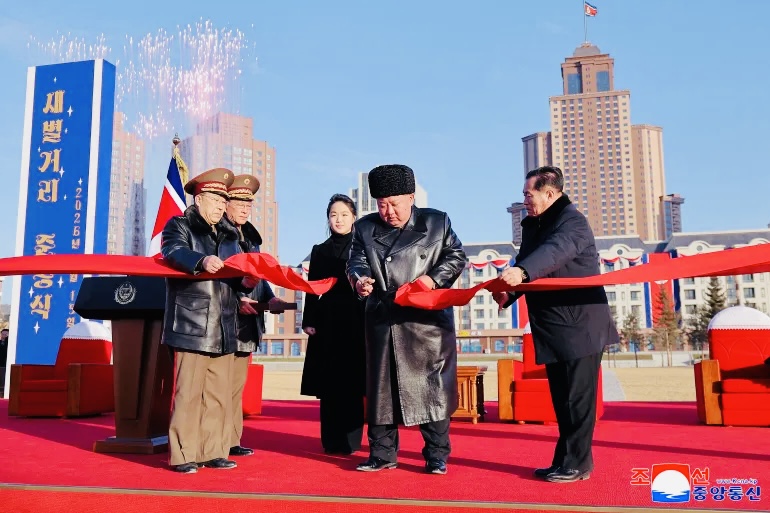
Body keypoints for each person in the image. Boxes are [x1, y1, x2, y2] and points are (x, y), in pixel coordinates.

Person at [492, 165, 617, 483]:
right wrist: (509, 294)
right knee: (563, 400)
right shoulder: (535, 225)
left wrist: (521, 274)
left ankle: (579, 464)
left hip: (580, 324)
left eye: (527, 194)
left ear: (550, 193)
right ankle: (564, 461)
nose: (524, 200)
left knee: (578, 399)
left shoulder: (572, 222)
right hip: (553, 326)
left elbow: (553, 254)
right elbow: (527, 264)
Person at [347, 164, 466, 475]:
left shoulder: (436, 222)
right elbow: (356, 260)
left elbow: (456, 256)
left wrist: (432, 280)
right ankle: (382, 453)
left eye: (395, 203)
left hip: (425, 323)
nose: (389, 211)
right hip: (383, 320)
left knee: (432, 391)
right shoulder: (364, 228)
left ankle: (436, 455)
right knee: (380, 391)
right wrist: (360, 280)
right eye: (382, 204)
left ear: (411, 197)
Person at [161, 167, 256, 474]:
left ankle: (213, 450)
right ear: (200, 198)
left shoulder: (229, 236)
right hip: (193, 324)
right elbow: (173, 252)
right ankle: (183, 454)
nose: (220, 206)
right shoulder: (180, 225)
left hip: (225, 325)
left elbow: (235, 279)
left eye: (223, 200)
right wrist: (200, 261)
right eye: (216, 199)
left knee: (217, 394)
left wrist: (248, 282)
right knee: (188, 394)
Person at [223, 174, 286, 458]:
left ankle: (231, 439)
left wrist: (270, 297)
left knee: (235, 389)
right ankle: (214, 442)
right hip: (225, 320)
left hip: (248, 322)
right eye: (239, 202)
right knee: (218, 388)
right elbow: (218, 279)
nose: (245, 208)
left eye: (249, 202)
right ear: (225, 204)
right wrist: (236, 299)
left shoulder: (250, 237)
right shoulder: (219, 236)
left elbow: (257, 276)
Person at [300, 193, 366, 455]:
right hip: (326, 322)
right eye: (333, 215)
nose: (338, 220)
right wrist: (309, 320)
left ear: (354, 218)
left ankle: (350, 441)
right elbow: (311, 288)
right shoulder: (320, 250)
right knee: (329, 385)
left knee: (352, 383)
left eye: (344, 215)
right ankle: (330, 440)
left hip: (356, 320)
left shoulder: (363, 248)